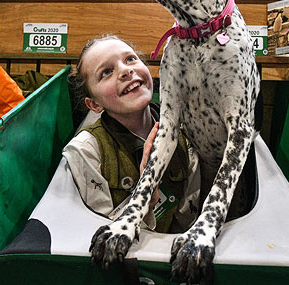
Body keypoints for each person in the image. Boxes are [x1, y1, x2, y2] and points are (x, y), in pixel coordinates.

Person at [65, 35, 201, 233]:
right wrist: (145, 196)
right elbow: (98, 235)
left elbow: (189, 218)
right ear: (94, 104)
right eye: (106, 72)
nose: (125, 70)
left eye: (130, 59)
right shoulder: (86, 150)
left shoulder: (185, 135)